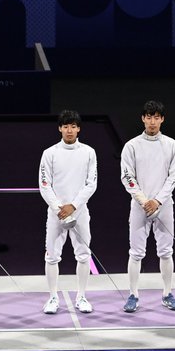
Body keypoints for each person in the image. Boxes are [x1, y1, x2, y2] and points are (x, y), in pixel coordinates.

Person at [120, 100, 175, 312]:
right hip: (139, 206)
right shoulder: (131, 146)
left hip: (164, 206)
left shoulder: (172, 145)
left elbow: (173, 177)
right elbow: (127, 176)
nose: (152, 121)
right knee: (136, 252)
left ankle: (167, 293)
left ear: (162, 119)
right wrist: (143, 200)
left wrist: (157, 200)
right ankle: (133, 295)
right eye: (149, 117)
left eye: (156, 117)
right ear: (143, 118)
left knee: (166, 252)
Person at [38, 110, 99, 315]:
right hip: (55, 213)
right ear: (60, 128)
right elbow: (44, 185)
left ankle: (81, 297)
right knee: (52, 256)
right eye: (66, 126)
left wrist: (73, 206)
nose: (69, 130)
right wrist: (58, 208)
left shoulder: (89, 152)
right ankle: (53, 298)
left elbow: (91, 184)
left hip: (80, 212)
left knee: (83, 255)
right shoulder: (50, 153)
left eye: (73, 126)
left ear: (79, 128)